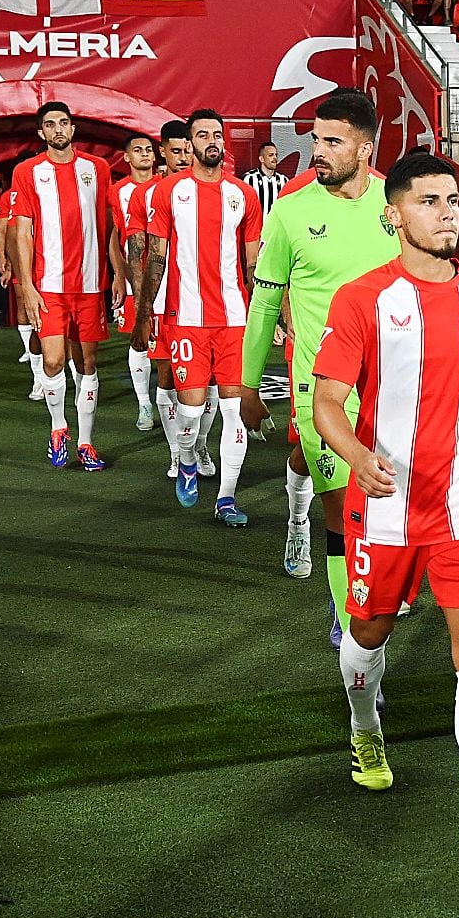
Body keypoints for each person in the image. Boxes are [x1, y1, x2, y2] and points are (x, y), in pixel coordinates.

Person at [312, 149, 459, 862]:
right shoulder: (362, 298)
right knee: (367, 638)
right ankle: (363, 721)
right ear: (394, 212)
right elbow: (326, 403)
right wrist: (356, 456)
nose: (447, 213)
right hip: (385, 506)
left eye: (452, 201)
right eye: (429, 201)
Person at [238, 90, 400, 645]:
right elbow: (263, 303)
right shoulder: (291, 210)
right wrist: (248, 385)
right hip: (320, 392)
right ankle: (347, 611)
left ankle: (359, 582)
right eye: (316, 139)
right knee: (344, 516)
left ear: (366, 147)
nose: (318, 151)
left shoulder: (395, 207)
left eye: (333, 141)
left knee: (384, 511)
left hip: (392, 390)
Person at [137, 110, 263, 525]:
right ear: (189, 145)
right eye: (203, 134)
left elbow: (251, 265)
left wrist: (267, 316)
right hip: (186, 317)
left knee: (233, 410)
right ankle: (187, 457)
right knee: (190, 410)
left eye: (217, 134)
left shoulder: (243, 195)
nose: (212, 140)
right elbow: (155, 257)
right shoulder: (168, 192)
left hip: (234, 320)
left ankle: (226, 498)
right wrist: (143, 313)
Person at [11, 102, 122, 471]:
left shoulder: (97, 168)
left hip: (90, 284)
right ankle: (59, 427)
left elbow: (107, 225)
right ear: (41, 133)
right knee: (54, 359)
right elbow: (23, 232)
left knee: (87, 363)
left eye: (64, 123)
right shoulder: (28, 172)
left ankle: (87, 442)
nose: (58, 129)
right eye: (50, 125)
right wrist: (26, 284)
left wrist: (118, 273)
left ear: (72, 129)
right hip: (49, 285)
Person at [128, 124, 202, 478]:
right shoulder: (146, 195)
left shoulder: (215, 189)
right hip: (163, 303)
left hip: (206, 302)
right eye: (176, 151)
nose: (184, 157)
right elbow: (137, 252)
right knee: (168, 378)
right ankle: (177, 453)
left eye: (188, 149)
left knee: (210, 384)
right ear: (163, 153)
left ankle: (198, 446)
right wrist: (143, 309)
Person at [110, 135, 161, 431]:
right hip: (133, 280)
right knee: (138, 339)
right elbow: (115, 237)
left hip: (168, 281)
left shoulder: (166, 186)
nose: (145, 154)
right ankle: (144, 404)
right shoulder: (118, 191)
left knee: (166, 344)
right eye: (138, 150)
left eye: (149, 150)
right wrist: (119, 276)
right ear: (127, 157)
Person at [242, 140, 284, 216]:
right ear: (261, 159)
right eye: (271, 155)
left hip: (275, 227)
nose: (275, 158)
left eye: (276, 155)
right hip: (256, 227)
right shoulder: (249, 179)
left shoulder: (283, 180)